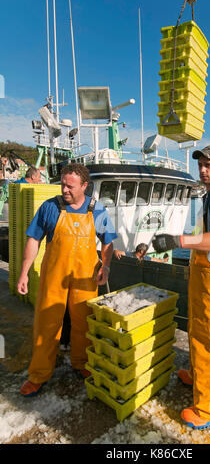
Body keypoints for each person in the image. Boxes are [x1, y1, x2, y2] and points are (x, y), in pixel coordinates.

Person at [153, 145, 210, 430]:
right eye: (200, 164)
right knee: (198, 329)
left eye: (209, 165)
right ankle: (197, 376)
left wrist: (178, 241)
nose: (203, 170)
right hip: (203, 277)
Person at [17, 163, 117, 397]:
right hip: (54, 277)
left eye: (70, 186)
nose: (64, 190)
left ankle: (81, 363)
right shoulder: (49, 207)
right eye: (62, 184)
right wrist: (24, 272)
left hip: (85, 278)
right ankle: (38, 375)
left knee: (84, 322)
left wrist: (107, 266)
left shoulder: (98, 210)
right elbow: (34, 240)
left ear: (85, 186)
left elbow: (108, 242)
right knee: (46, 324)